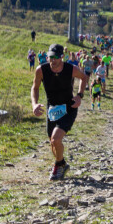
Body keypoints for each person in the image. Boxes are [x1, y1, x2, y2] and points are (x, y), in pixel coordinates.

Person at [31, 43, 88, 181]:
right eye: (50, 57)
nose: (53, 60)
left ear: (62, 57)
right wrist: (34, 104)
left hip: (69, 107)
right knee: (52, 142)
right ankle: (62, 163)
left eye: (56, 57)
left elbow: (84, 77)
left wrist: (79, 95)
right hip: (52, 109)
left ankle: (58, 165)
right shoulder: (41, 70)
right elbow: (35, 88)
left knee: (56, 139)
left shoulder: (71, 69)